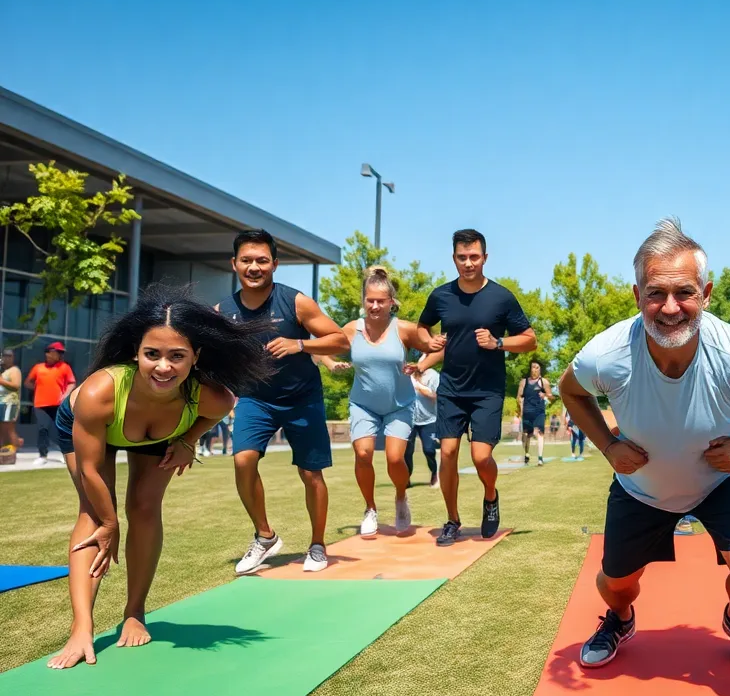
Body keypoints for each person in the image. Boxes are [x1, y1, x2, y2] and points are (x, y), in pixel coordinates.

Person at [558, 218, 730, 669]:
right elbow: (571, 390)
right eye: (655, 293)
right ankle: (620, 618)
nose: (670, 307)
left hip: (719, 481)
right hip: (642, 487)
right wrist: (608, 446)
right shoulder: (607, 353)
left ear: (705, 294)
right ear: (637, 295)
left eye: (684, 292)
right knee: (614, 585)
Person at [47, 284, 271, 670]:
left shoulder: (210, 396)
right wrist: (108, 522)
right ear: (137, 352)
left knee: (146, 507)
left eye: (177, 356)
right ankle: (81, 626)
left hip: (162, 432)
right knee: (93, 514)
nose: (163, 366)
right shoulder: (99, 392)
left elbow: (217, 412)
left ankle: (135, 611)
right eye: (152, 354)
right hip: (89, 429)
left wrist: (188, 440)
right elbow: (89, 469)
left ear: (194, 358)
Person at [220, 230, 350, 575]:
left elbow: (340, 340)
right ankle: (265, 536)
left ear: (274, 264)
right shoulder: (223, 312)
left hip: (301, 397)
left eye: (262, 260)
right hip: (255, 398)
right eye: (246, 260)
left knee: (310, 473)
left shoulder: (296, 302)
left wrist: (300, 345)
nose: (254, 267)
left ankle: (318, 545)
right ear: (234, 264)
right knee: (243, 461)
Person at [415, 229, 537, 546]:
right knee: (448, 452)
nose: (468, 263)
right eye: (462, 257)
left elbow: (529, 340)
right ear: (453, 258)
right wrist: (429, 342)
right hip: (452, 389)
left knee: (481, 457)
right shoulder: (440, 296)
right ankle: (452, 520)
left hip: (487, 391)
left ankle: (491, 495)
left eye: (474, 257)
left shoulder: (501, 297)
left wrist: (498, 342)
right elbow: (422, 327)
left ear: (485, 257)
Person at [321, 266, 441, 537]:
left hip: (399, 405)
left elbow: (437, 347)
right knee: (363, 454)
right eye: (370, 300)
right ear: (363, 300)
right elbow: (322, 345)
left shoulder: (405, 330)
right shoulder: (352, 329)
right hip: (363, 405)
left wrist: (421, 365)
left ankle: (401, 496)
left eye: (381, 301)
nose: (375, 306)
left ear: (391, 303)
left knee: (395, 458)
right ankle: (370, 508)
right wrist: (329, 363)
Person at [26, 341, 77, 465]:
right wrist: (38, 389)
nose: (59, 355)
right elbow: (28, 382)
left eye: (60, 353)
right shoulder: (38, 367)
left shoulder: (64, 367)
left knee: (60, 429)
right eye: (57, 352)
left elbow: (72, 383)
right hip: (40, 404)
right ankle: (42, 455)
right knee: (42, 429)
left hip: (58, 404)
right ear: (48, 353)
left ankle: (65, 454)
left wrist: (65, 395)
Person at [405, 352, 441, 487]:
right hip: (409, 419)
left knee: (429, 449)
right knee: (407, 451)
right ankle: (406, 478)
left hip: (429, 419)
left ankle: (434, 473)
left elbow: (435, 396)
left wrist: (417, 385)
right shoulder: (409, 373)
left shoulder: (433, 376)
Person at [518, 360, 553, 466]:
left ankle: (540, 458)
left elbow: (552, 397)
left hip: (539, 412)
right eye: (533, 367)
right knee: (526, 435)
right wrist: (521, 408)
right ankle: (527, 454)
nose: (535, 369)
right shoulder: (524, 382)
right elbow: (519, 397)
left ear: (540, 369)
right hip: (527, 412)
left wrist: (546, 396)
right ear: (530, 369)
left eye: (537, 367)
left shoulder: (544, 382)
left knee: (540, 433)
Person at [0, 349, 23, 451]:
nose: (6, 358)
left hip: (9, 403)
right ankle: (6, 449)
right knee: (2, 429)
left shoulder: (14, 370)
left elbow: (16, 385)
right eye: (4, 355)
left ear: (13, 358)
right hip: (2, 402)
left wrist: (1, 381)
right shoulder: (3, 371)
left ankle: (14, 448)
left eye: (9, 356)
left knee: (8, 428)